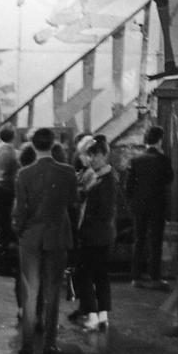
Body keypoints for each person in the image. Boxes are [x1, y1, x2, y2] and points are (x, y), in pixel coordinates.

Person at [13, 126, 79, 354]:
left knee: (31, 290)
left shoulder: (24, 174)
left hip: (31, 236)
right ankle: (50, 343)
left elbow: (20, 210)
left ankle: (28, 343)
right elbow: (73, 201)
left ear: (32, 145)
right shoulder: (68, 171)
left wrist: (19, 231)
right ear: (52, 144)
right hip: (57, 234)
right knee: (53, 290)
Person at [72, 137, 116, 334]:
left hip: (94, 235)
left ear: (105, 155)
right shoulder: (102, 177)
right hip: (102, 235)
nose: (92, 159)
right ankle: (103, 316)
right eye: (90, 155)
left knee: (87, 275)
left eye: (96, 155)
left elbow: (102, 211)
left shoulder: (104, 181)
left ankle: (93, 317)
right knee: (100, 276)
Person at [125, 125, 173, 289]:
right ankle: (154, 278)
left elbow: (129, 186)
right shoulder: (164, 160)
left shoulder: (136, 160)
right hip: (157, 205)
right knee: (156, 241)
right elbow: (169, 178)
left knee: (139, 240)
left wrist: (134, 202)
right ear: (159, 140)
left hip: (139, 206)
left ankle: (136, 277)